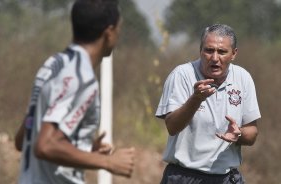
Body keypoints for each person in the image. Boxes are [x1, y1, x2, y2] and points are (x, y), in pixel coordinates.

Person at [14, 0, 135, 183]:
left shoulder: (51, 66)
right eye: (119, 28)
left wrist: (82, 147)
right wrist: (107, 161)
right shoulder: (81, 80)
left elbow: (24, 139)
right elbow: (45, 145)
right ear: (109, 33)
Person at [155, 24, 261, 184]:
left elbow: (252, 133)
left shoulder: (243, 78)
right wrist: (195, 99)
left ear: (234, 54)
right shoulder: (182, 75)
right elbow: (172, 127)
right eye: (209, 50)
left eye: (222, 52)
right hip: (184, 176)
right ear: (200, 50)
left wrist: (238, 134)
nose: (214, 58)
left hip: (227, 178)